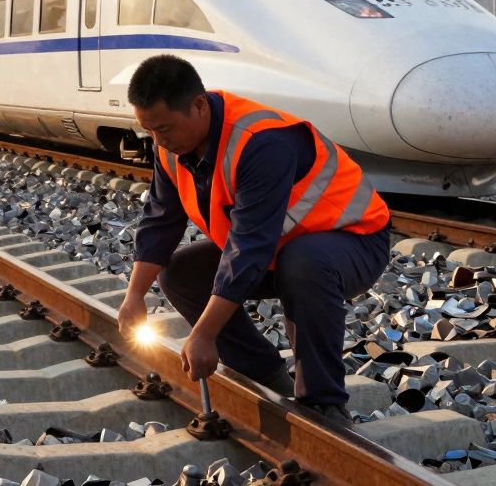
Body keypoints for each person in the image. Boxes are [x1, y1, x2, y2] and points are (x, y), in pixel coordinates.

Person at [115, 55, 391, 426]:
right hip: (282, 248)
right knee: (180, 274)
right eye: (149, 131)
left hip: (353, 240)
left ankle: (324, 404)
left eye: (164, 129)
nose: (158, 141)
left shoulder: (260, 141)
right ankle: (266, 378)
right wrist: (134, 296)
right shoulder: (172, 148)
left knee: (303, 263)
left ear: (198, 105)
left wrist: (204, 334)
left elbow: (250, 245)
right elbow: (160, 222)